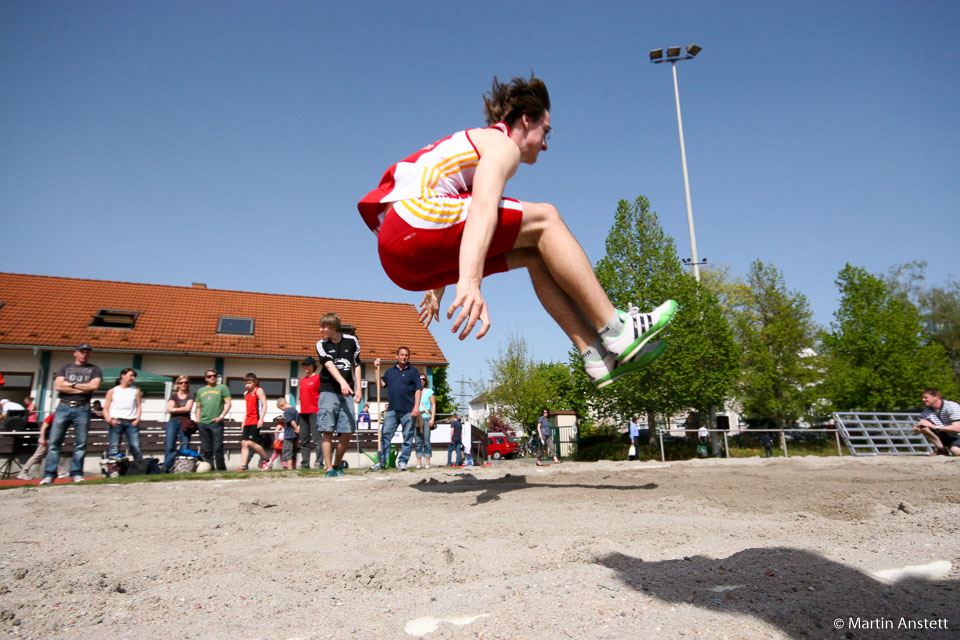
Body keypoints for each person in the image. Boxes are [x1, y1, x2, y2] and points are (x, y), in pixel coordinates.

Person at [358, 75, 675, 390]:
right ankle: (616, 328)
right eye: (546, 131)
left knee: (536, 254)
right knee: (547, 219)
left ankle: (595, 354)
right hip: (412, 220)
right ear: (526, 120)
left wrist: (438, 286)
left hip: (402, 259)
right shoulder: (501, 143)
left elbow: (456, 223)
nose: (546, 143)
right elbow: (482, 206)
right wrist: (469, 282)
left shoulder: (475, 148)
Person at [41, 343, 103, 484]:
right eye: (82, 351)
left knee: (80, 443)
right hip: (64, 406)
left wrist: (72, 385)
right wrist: (82, 388)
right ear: (75, 353)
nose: (84, 354)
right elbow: (58, 386)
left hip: (83, 408)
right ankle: (49, 474)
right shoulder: (65, 368)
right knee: (55, 442)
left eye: (87, 352)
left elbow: (94, 386)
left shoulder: (94, 369)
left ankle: (76, 473)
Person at [315, 313, 361, 477]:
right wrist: (342, 382)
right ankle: (328, 469)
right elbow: (328, 365)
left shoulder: (352, 340)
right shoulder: (321, 344)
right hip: (328, 391)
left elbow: (356, 365)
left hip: (347, 392)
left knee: (347, 431)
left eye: (324, 327)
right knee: (327, 430)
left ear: (333, 327)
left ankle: (337, 464)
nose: (321, 330)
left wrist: (359, 389)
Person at [372, 346, 421, 471]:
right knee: (385, 435)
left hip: (409, 410)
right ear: (397, 356)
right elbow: (380, 385)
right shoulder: (390, 372)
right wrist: (375, 369)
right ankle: (382, 461)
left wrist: (416, 407)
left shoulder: (413, 371)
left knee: (407, 437)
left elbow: (418, 390)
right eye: (402, 355)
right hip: (392, 410)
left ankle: (403, 461)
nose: (404, 357)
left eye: (406, 355)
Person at [194, 369, 231, 471]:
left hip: (216, 422)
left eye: (214, 375)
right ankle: (209, 469)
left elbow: (228, 404)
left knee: (218, 448)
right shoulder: (200, 391)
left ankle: (221, 469)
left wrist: (221, 416)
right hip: (203, 423)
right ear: (206, 378)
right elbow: (198, 407)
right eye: (210, 376)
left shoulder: (222, 387)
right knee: (207, 449)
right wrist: (198, 420)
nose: (212, 378)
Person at [103, 367, 143, 461]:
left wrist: (137, 419)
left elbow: (139, 406)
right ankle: (113, 469)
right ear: (123, 376)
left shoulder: (136, 390)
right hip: (116, 422)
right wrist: (109, 420)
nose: (132, 378)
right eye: (130, 375)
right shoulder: (112, 391)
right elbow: (106, 408)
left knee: (135, 446)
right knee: (114, 448)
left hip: (131, 422)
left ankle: (139, 467)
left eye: (134, 376)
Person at [17, 414, 67, 480]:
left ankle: (60, 471)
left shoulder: (59, 416)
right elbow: (43, 427)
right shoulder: (53, 416)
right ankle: (23, 472)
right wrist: (42, 438)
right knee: (37, 455)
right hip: (47, 439)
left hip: (50, 439)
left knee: (50, 455)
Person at [914, 388, 960, 456]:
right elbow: (917, 428)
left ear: (936, 397)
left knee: (955, 451)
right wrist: (917, 429)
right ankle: (941, 450)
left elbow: (957, 428)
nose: (923, 400)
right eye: (923, 398)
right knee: (924, 427)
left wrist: (935, 427)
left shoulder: (952, 407)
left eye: (926, 398)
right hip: (948, 434)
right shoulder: (926, 411)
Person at [238, 373, 270, 471]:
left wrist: (261, 419)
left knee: (250, 443)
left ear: (255, 382)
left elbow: (264, 405)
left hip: (255, 420)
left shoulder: (258, 391)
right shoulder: (245, 394)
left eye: (249, 383)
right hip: (248, 420)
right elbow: (247, 409)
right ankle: (243, 466)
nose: (247, 385)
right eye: (245, 383)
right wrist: (243, 421)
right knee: (244, 443)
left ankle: (266, 460)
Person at [164, 375, 195, 472]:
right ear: (177, 384)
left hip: (185, 423)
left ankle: (183, 468)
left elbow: (188, 408)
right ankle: (167, 468)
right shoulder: (173, 396)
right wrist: (180, 409)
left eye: (186, 382)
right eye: (181, 383)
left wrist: (174, 409)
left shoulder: (190, 395)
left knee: (184, 446)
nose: (184, 384)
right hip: (172, 422)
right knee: (169, 446)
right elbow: (169, 409)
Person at [297, 356, 321, 469]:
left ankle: (319, 461)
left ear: (313, 366)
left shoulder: (317, 378)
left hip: (315, 412)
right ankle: (305, 463)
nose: (306, 367)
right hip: (303, 412)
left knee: (317, 438)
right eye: (304, 365)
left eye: (308, 365)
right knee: (304, 440)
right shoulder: (301, 380)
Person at [414, 373, 436, 469]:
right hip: (417, 418)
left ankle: (427, 462)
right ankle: (419, 462)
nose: (421, 381)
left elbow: (433, 405)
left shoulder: (429, 391)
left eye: (423, 379)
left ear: (425, 381)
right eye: (420, 379)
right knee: (418, 441)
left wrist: (432, 419)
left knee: (427, 441)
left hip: (426, 417)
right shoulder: (414, 392)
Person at [276, 397, 299, 470]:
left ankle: (290, 468)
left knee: (288, 452)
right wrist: (298, 429)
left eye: (281, 408)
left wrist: (295, 428)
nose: (282, 410)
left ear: (283, 405)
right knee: (294, 452)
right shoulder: (295, 410)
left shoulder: (287, 411)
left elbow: (291, 421)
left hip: (289, 434)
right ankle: (294, 467)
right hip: (295, 435)